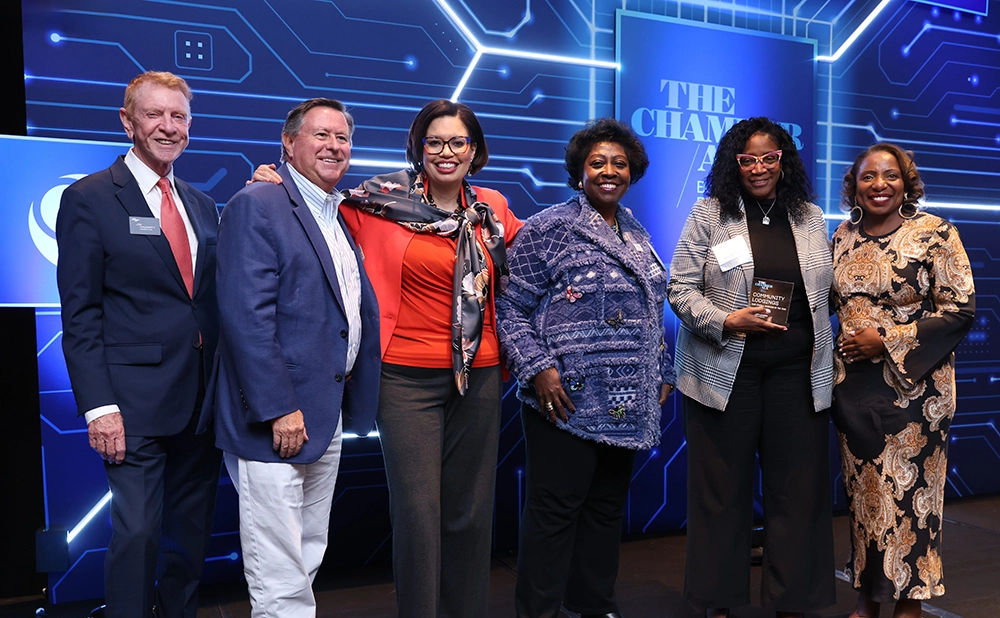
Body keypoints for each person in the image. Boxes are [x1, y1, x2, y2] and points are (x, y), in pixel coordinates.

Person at [251, 99, 522, 618]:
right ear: (419, 148)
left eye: (458, 142)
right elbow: (312, 208)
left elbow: (536, 249)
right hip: (404, 377)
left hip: (480, 372)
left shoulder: (492, 207)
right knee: (419, 512)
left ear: (475, 150)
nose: (446, 152)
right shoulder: (376, 201)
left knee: (469, 511)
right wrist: (274, 181)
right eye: (434, 142)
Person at [199, 98, 380, 617]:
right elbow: (245, 317)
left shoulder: (336, 212)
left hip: (323, 413)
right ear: (288, 142)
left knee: (305, 554)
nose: (334, 146)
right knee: (278, 567)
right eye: (320, 135)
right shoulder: (258, 204)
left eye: (342, 138)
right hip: (277, 417)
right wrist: (279, 406)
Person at [56, 71, 221, 618]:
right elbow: (80, 314)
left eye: (178, 117)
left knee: (188, 539)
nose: (167, 127)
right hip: (131, 408)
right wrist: (99, 408)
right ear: (127, 121)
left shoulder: (200, 205)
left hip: (200, 405)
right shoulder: (89, 198)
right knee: (138, 536)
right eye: (154, 115)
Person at [496, 117, 676, 618]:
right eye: (598, 162)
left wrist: (664, 371)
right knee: (553, 515)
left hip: (624, 404)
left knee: (603, 514)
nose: (609, 171)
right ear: (579, 171)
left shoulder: (636, 232)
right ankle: (538, 612)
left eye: (619, 163)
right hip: (565, 399)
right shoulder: (549, 228)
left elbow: (648, 308)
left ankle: (593, 607)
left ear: (632, 172)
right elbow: (510, 308)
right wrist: (538, 367)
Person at [667, 116, 835, 618]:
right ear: (732, 164)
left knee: (797, 495)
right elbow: (679, 289)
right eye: (747, 159)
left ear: (784, 160)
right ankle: (718, 603)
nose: (758, 167)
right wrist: (727, 319)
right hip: (725, 376)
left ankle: (793, 602)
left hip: (797, 377)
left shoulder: (810, 216)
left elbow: (826, 293)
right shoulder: (709, 213)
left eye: (768, 157)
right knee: (721, 495)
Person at [831, 143, 975, 618]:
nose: (879, 185)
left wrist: (887, 339)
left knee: (913, 499)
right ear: (854, 185)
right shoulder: (841, 237)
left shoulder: (936, 234)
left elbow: (959, 310)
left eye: (890, 176)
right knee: (866, 497)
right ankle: (867, 597)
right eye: (868, 177)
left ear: (906, 183)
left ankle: (909, 604)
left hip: (915, 390)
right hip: (852, 390)